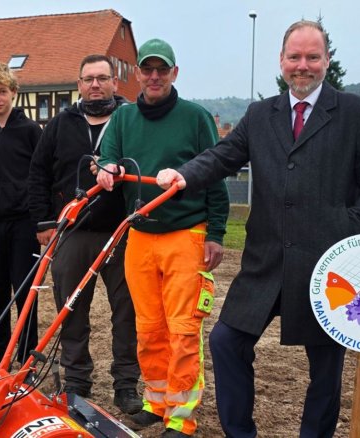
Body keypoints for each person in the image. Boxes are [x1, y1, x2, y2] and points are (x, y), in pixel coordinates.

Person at [156, 20, 360, 437]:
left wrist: (346, 227)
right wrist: (183, 175)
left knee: (325, 364)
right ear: (281, 61)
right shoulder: (259, 114)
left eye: (312, 57)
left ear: (327, 60)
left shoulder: (355, 113)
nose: (303, 66)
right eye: (294, 57)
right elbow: (223, 155)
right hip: (265, 261)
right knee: (227, 342)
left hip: (328, 264)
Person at [96, 39, 229, 437]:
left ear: (174, 73)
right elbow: (109, 157)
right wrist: (105, 167)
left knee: (183, 329)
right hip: (140, 233)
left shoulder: (196, 117)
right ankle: (157, 402)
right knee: (149, 327)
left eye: (162, 69)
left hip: (186, 234)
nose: (154, 76)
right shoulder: (122, 119)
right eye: (147, 69)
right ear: (137, 73)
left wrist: (216, 233)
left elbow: (216, 175)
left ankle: (182, 418)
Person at [27, 55, 141, 414]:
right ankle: (76, 379)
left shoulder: (130, 120)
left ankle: (126, 383)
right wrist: (45, 223)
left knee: (127, 312)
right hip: (74, 232)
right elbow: (38, 174)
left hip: (122, 232)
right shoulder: (60, 125)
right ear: (78, 84)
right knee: (71, 310)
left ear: (114, 83)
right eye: (88, 78)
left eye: (102, 78)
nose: (95, 84)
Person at [0, 62, 42, 372]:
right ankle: (1, 359)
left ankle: (27, 359)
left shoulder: (30, 131)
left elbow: (41, 176)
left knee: (25, 293)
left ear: (14, 92)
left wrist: (42, 218)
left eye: (2, 91)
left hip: (24, 223)